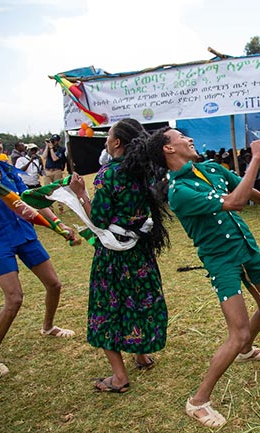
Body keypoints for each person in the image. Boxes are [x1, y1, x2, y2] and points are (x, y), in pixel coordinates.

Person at [138, 127, 260, 428]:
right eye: (181, 137)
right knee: (237, 332)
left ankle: (246, 351)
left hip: (246, 248)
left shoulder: (210, 168)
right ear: (168, 150)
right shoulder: (179, 192)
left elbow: (247, 190)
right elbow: (236, 202)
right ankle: (198, 401)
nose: (189, 139)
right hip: (222, 262)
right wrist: (256, 157)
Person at [0, 125, 76, 376]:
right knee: (14, 299)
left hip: (24, 235)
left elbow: (28, 201)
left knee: (54, 284)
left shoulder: (6, 170)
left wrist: (59, 225)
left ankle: (48, 327)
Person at [69, 119, 170, 394]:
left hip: (113, 255)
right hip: (139, 251)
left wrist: (80, 195)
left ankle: (119, 377)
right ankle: (141, 355)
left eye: (108, 136)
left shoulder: (108, 174)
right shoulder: (143, 172)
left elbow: (99, 220)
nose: (105, 141)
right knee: (139, 299)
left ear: (116, 142)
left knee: (108, 308)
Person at [42, 134, 68, 213]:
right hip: (48, 170)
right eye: (52, 140)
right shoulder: (49, 148)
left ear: (58, 141)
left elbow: (55, 158)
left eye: (55, 141)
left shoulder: (61, 149)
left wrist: (51, 149)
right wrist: (47, 147)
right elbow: (44, 157)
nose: (53, 142)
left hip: (57, 170)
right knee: (47, 190)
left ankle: (60, 206)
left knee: (58, 188)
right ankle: (50, 209)